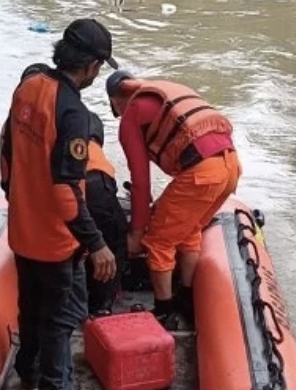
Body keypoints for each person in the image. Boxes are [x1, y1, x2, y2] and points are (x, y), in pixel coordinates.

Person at [0, 18, 119, 390]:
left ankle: (29, 376)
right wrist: (95, 243)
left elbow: (7, 154)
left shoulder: (27, 88)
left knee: (30, 307)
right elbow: (66, 187)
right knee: (61, 315)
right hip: (54, 239)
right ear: (92, 66)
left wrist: (13, 199)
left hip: (23, 230)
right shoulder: (73, 113)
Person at [104, 70, 242, 329]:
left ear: (116, 101)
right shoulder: (167, 92)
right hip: (230, 166)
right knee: (189, 231)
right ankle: (186, 298)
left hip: (202, 173)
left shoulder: (131, 115)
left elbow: (141, 182)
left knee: (157, 240)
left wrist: (136, 233)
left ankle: (164, 311)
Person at [83, 110, 129, 316]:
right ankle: (102, 306)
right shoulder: (96, 155)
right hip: (95, 187)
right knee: (115, 239)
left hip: (61, 191)